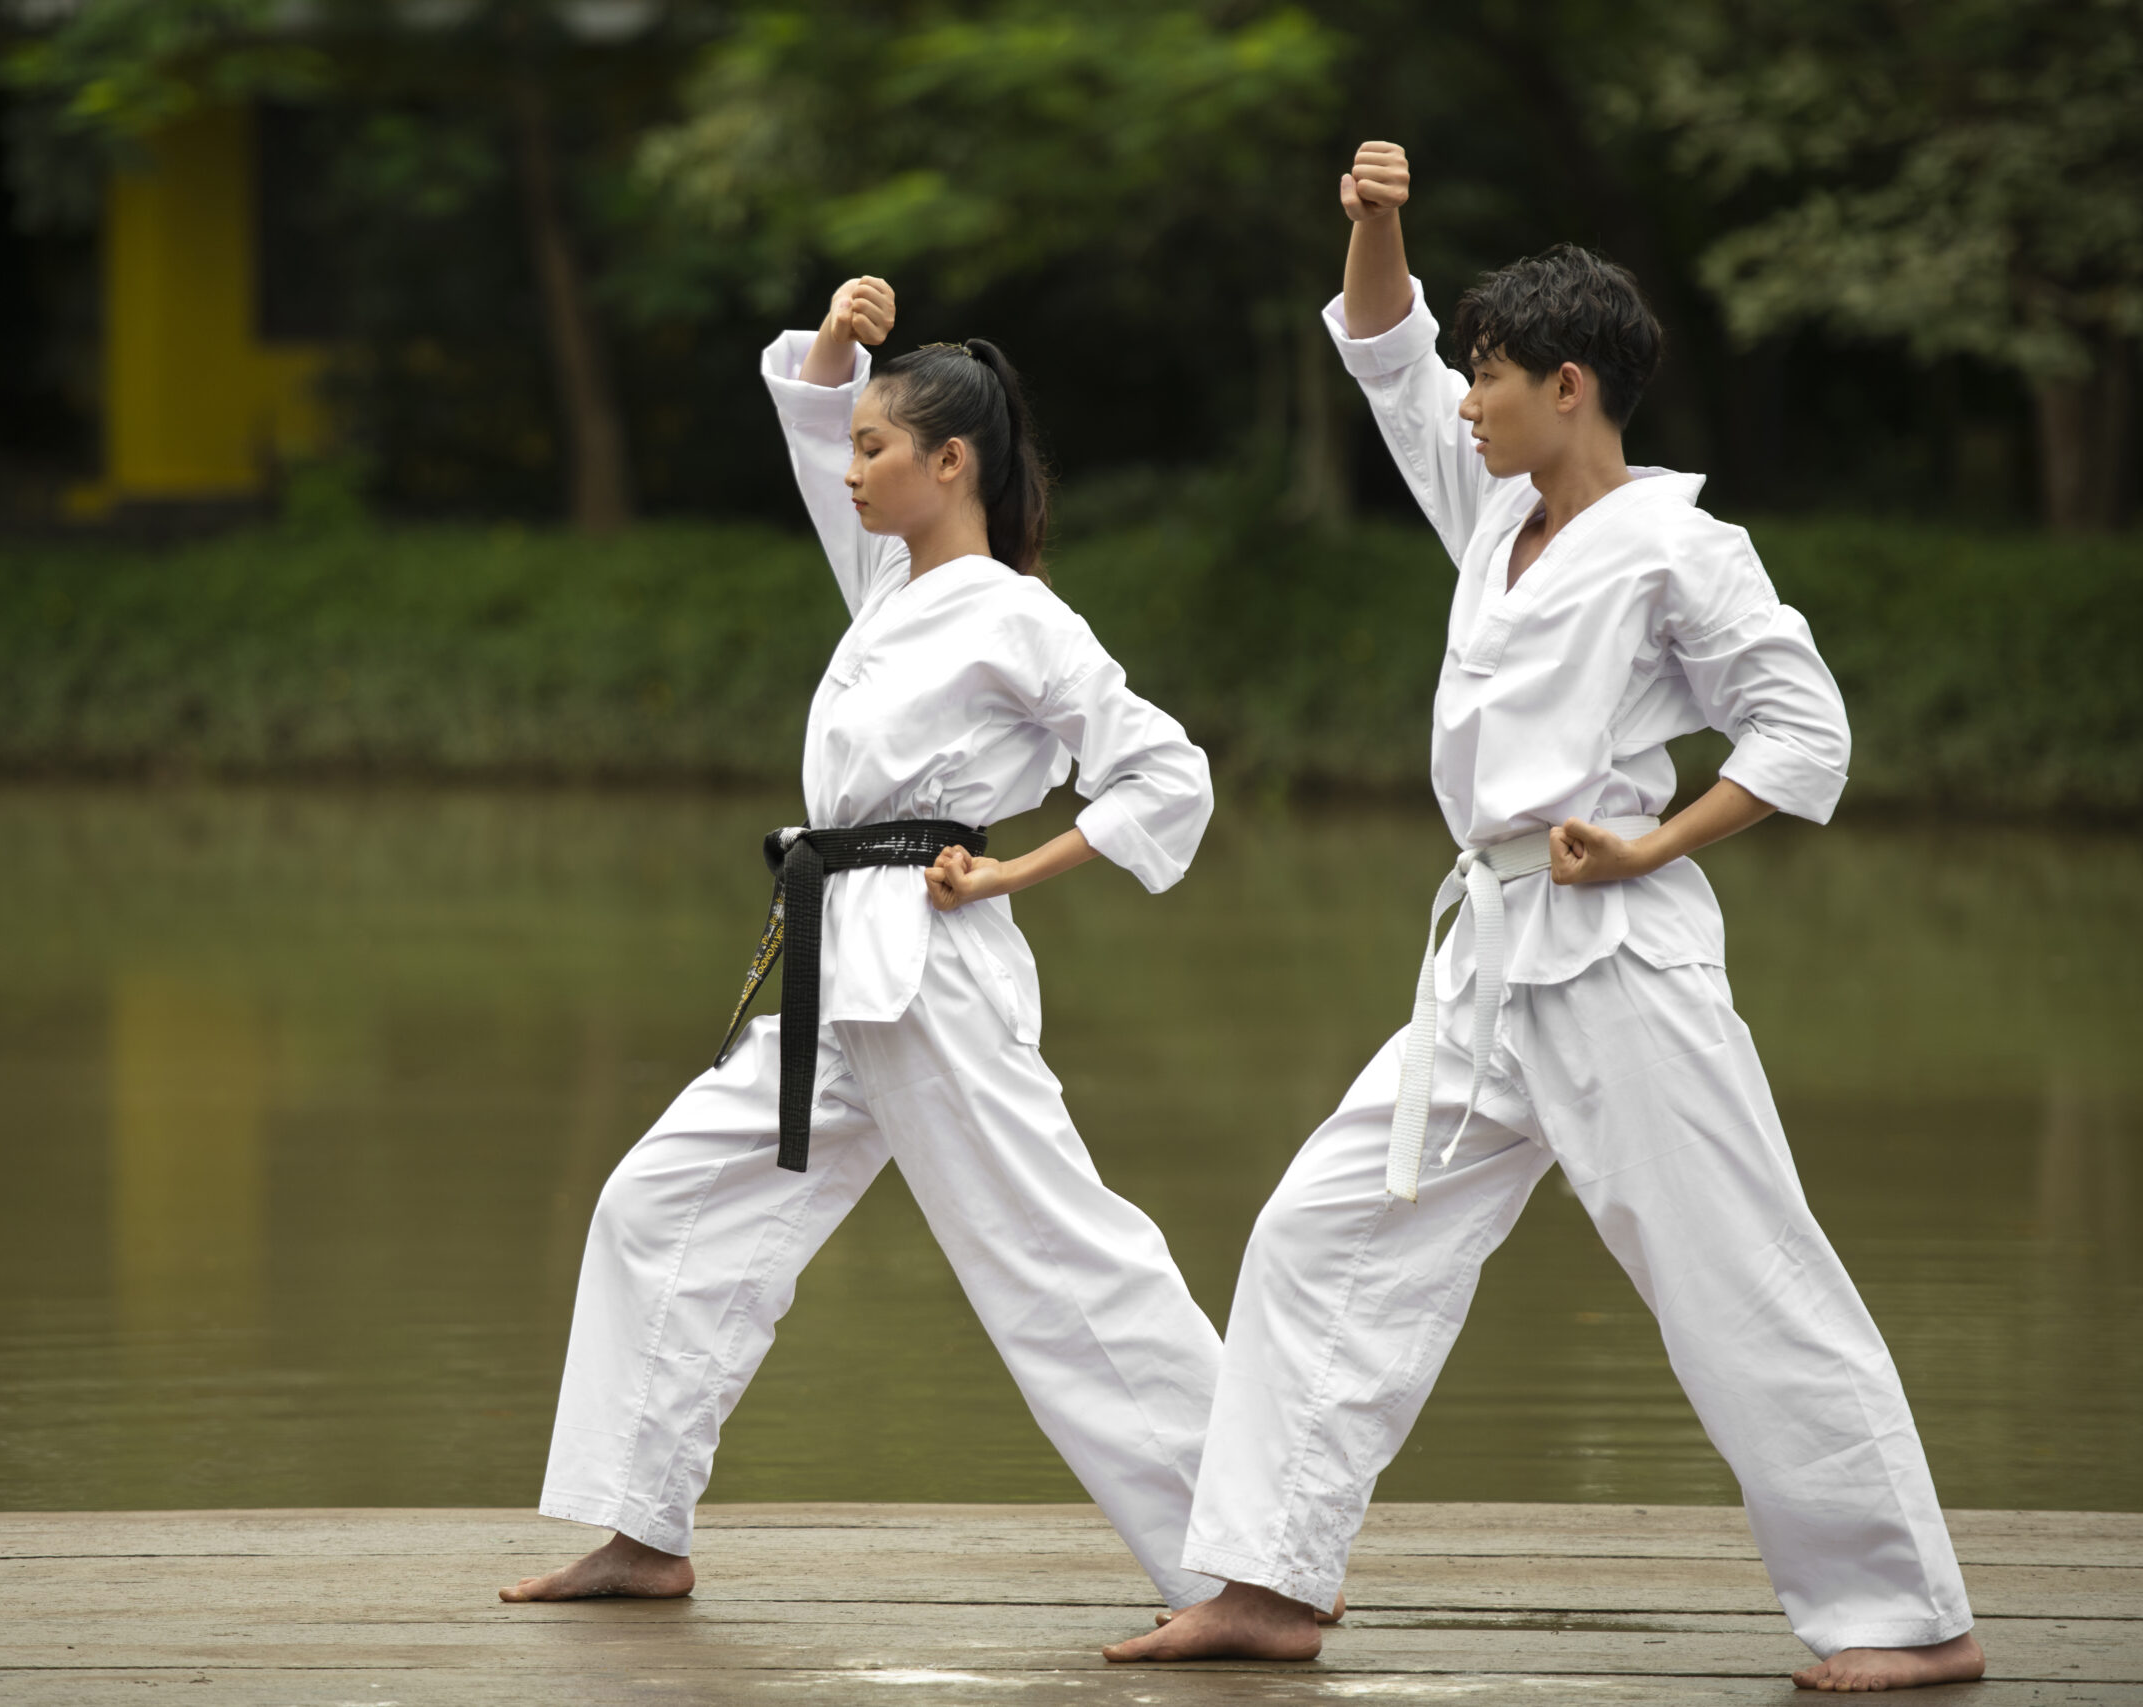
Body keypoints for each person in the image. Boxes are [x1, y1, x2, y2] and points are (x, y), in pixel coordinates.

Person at [1103, 143, 1984, 1693]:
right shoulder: (1491, 514)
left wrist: (1651, 849)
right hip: (1487, 959)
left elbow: (1804, 738)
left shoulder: (1680, 548)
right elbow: (1385, 352)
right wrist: (1380, 226)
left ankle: (1905, 1617)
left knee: (1740, 1276)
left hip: (1621, 961)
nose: (1467, 400)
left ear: (1569, 386)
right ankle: (1266, 1580)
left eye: (1493, 377)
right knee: (1323, 1235)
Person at [501, 275, 1232, 1614]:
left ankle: (1248, 1562)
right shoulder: (892, 586)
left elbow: (1164, 776)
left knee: (1058, 1254)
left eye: (879, 449)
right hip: (846, 963)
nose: (850, 470)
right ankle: (643, 1529)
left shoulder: (1016, 611)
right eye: (853, 446)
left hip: (935, 966)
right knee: (662, 1207)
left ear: (951, 463)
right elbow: (811, 406)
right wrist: (842, 339)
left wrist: (1018, 862)